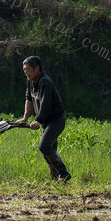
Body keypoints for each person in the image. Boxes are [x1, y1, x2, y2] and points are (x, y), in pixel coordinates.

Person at [17, 55, 71, 183]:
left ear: (37, 68)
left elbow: (45, 103)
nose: (26, 72)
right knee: (49, 152)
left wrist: (38, 120)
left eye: (28, 69)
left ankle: (64, 173)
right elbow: (29, 98)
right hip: (46, 122)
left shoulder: (44, 82)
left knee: (44, 146)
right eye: (24, 70)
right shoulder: (30, 81)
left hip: (55, 120)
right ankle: (56, 178)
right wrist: (25, 118)